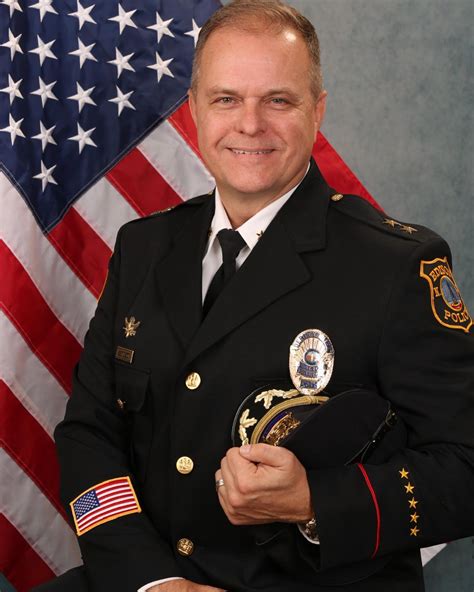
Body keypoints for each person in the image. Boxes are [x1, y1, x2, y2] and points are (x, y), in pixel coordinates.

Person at [44, 1, 474, 591]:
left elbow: (467, 466)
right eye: (226, 99)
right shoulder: (144, 247)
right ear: (194, 110)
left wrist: (316, 499)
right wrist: (152, 580)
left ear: (317, 111)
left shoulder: (396, 266)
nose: (250, 124)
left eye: (278, 100)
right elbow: (88, 435)